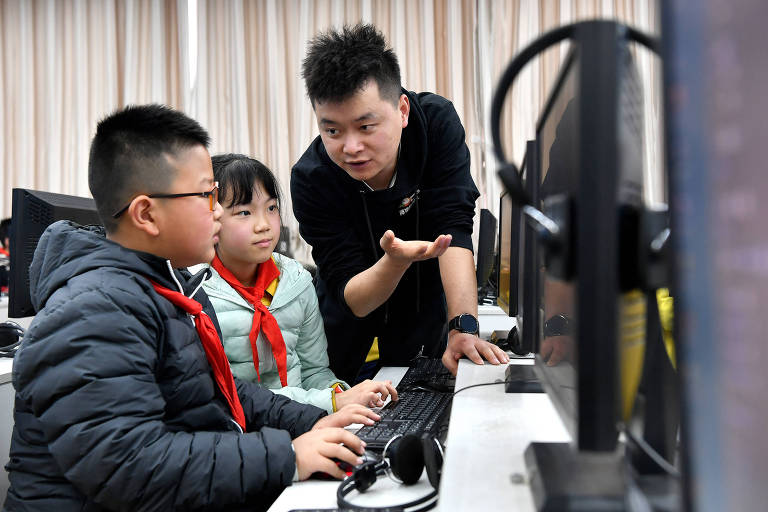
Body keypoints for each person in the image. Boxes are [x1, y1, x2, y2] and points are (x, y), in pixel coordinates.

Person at [4, 105, 379, 512]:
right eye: (206, 195)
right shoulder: (94, 310)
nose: (217, 211)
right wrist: (286, 457)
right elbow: (130, 467)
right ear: (146, 213)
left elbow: (222, 392)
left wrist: (311, 422)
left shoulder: (164, 288)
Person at [291, 23, 509, 382]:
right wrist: (395, 261)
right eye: (332, 130)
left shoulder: (434, 126)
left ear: (402, 110)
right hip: (345, 331)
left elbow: (452, 227)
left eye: (365, 126)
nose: (350, 147)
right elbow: (354, 297)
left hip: (423, 315)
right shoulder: (312, 177)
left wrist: (463, 328)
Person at [200, 153, 398, 414]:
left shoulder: (296, 280)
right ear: (210, 219)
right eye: (244, 212)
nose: (264, 225)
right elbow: (229, 396)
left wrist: (344, 394)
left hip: (303, 421)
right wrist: (331, 404)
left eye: (271, 208)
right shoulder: (197, 294)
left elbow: (314, 370)